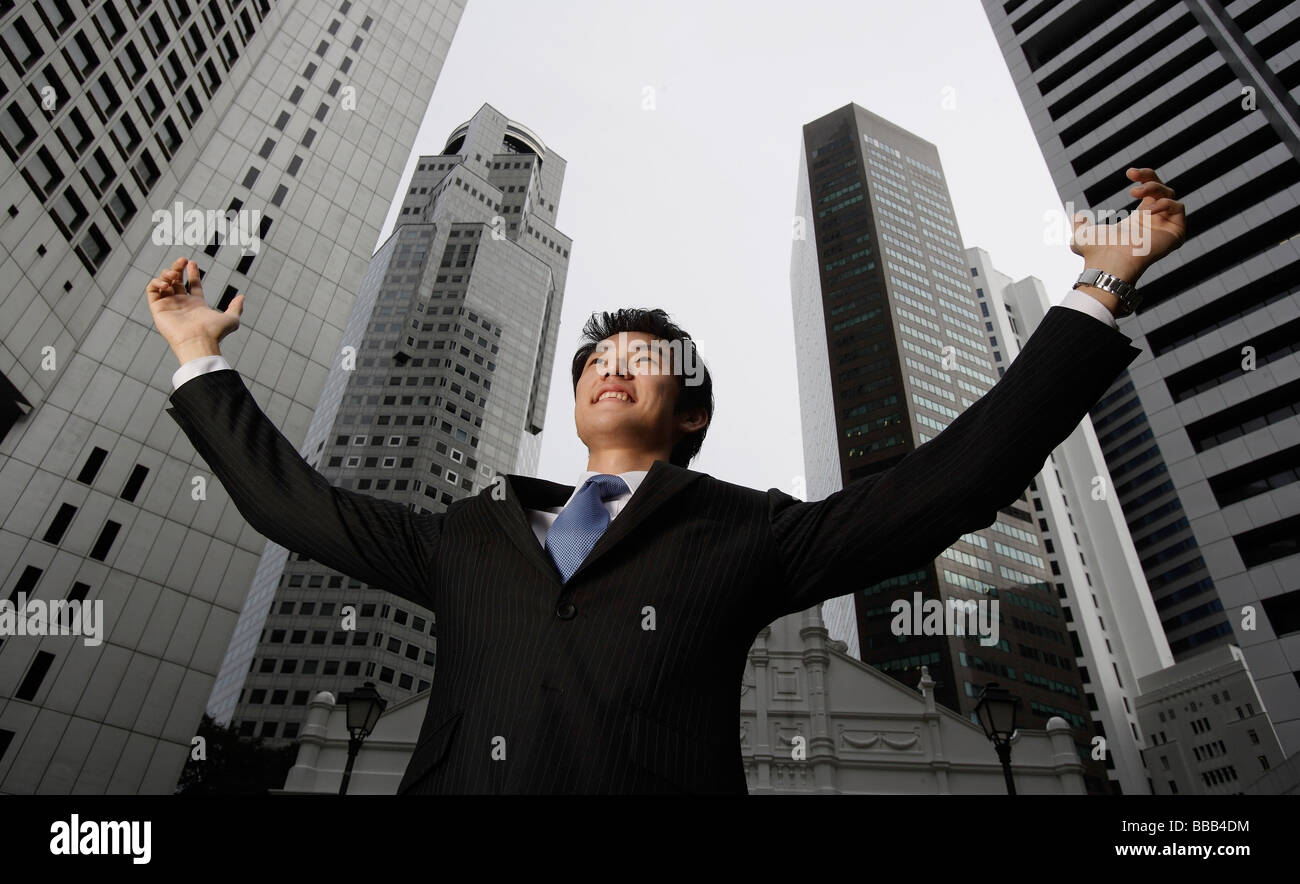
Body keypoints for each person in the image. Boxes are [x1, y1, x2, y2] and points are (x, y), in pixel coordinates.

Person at [147, 168, 1185, 793]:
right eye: (600, 354)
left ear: (689, 411)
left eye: (645, 356)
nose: (613, 360)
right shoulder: (468, 534)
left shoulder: (748, 534)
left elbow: (950, 486)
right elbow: (295, 503)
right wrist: (200, 354)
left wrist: (1098, 287)